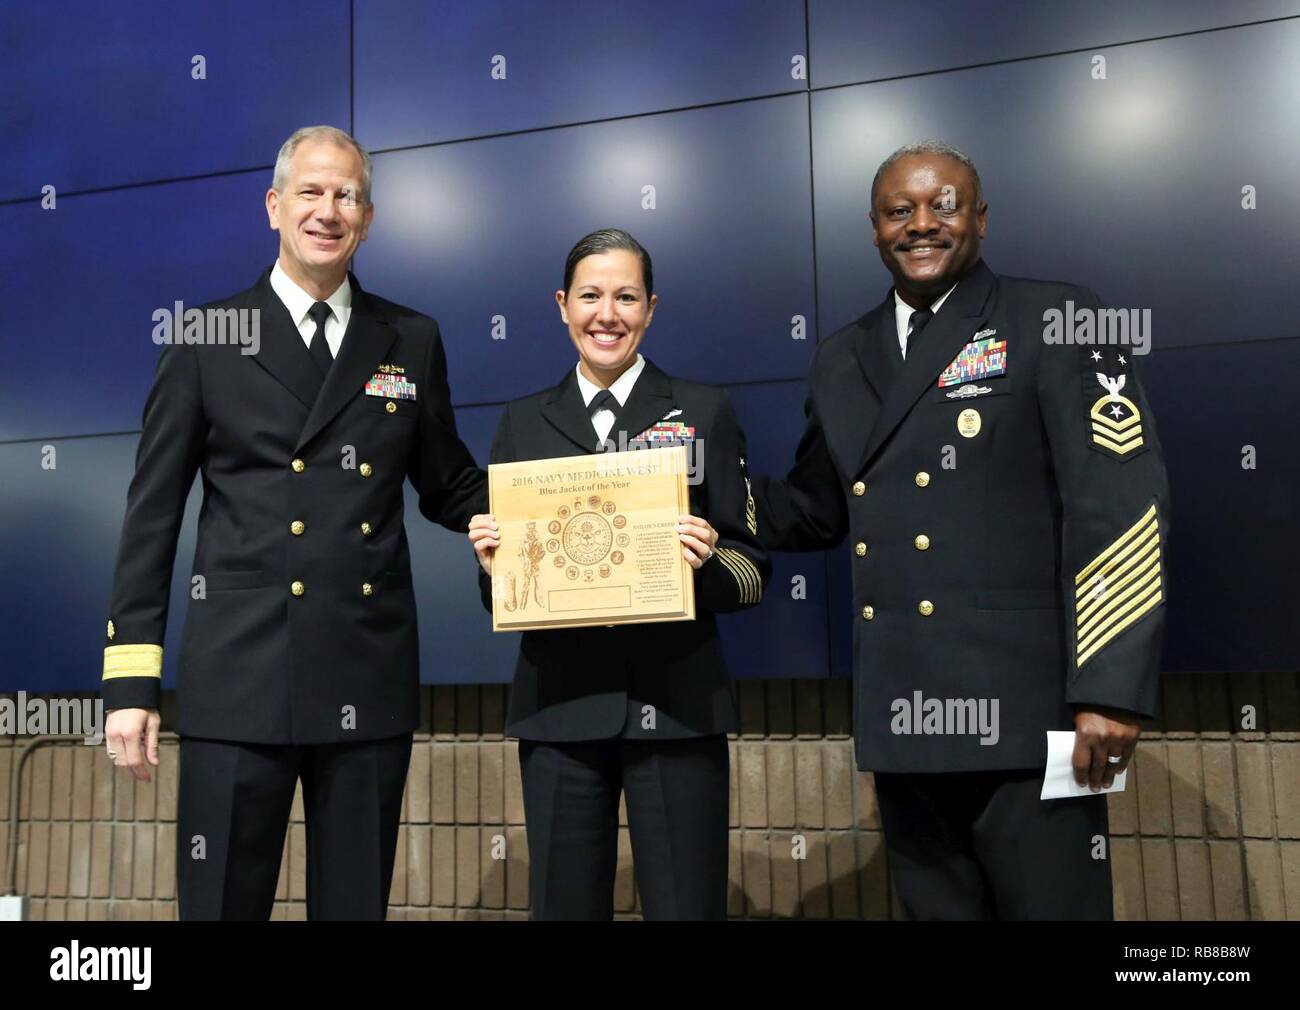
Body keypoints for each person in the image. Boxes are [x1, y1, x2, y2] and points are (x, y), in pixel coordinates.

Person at [753, 141, 1170, 920]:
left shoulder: (1059, 318)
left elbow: (1119, 507)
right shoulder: (842, 357)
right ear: (874, 228)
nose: (921, 224)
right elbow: (814, 509)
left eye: (943, 205)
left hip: (1032, 717)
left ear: (979, 218)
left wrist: (1111, 688)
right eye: (897, 210)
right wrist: (689, 492)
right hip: (904, 720)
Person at [100, 125, 486, 920]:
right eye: (310, 192)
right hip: (240, 677)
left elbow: (449, 483)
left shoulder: (410, 339)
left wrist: (541, 514)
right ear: (274, 206)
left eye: (346, 194)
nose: (328, 210)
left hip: (364, 673)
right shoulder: (206, 336)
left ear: (368, 218)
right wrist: (130, 682)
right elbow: (151, 516)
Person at [468, 228, 770, 920]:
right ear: (562, 305)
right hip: (560, 712)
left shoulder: (702, 410)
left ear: (651, 308)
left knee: (687, 908)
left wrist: (703, 563)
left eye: (626, 297)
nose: (608, 314)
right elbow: (500, 593)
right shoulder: (522, 423)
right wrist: (493, 565)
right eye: (591, 296)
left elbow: (753, 567)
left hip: (678, 707)